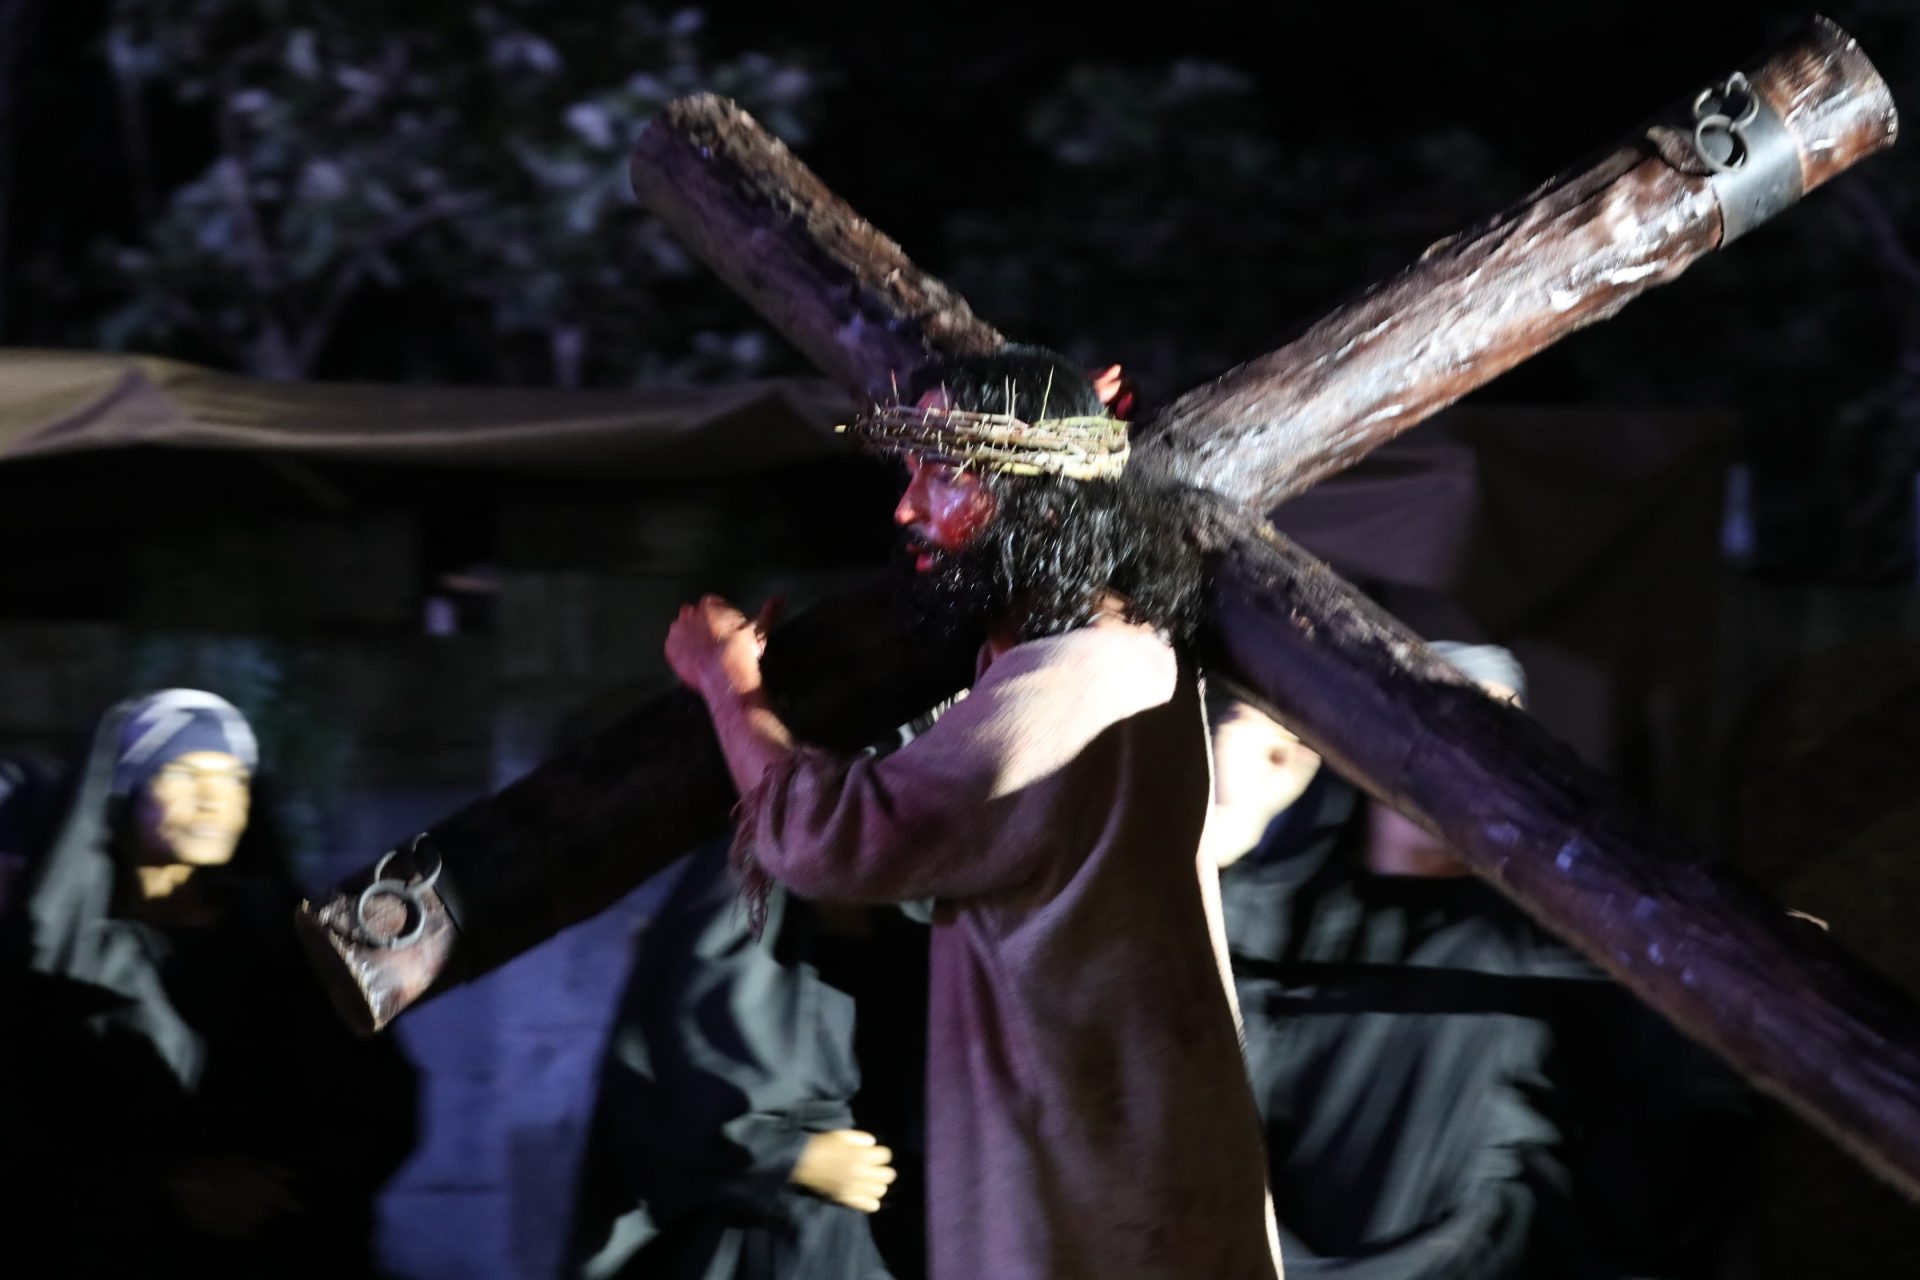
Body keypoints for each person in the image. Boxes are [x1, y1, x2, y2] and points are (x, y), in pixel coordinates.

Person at [663, 345, 1280, 1280]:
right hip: (1105, 1137)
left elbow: (836, 839)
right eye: (912, 472)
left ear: (1041, 497)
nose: (908, 507)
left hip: (1104, 1167)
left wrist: (727, 683)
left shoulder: (1080, 676)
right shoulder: (1081, 657)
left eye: (945, 474)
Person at [1207, 646, 1754, 1278]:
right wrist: (1227, 829)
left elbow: (1663, 1167)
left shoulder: (1556, 960)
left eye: (1495, 739)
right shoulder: (1272, 920)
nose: (1466, 770)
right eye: (1439, 732)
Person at [0, 689, 418, 1279]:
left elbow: (383, 1103)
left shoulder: (301, 949)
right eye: (186, 774)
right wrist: (162, 1187)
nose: (213, 801)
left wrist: (278, 1190)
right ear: (124, 797)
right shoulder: (56, 961)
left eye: (233, 780)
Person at [565, 838, 924, 1280]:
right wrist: (789, 1155)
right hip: (771, 1230)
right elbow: (672, 1070)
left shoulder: (935, 903)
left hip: (891, 1231)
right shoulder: (748, 878)